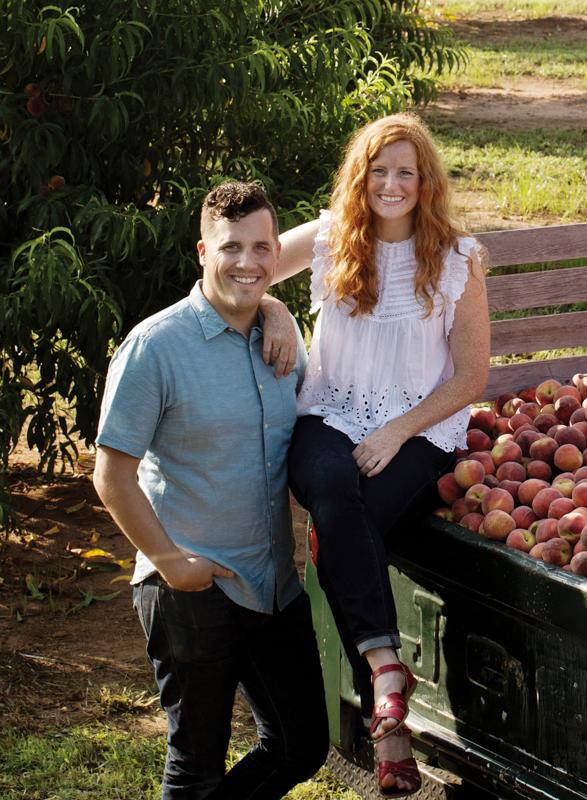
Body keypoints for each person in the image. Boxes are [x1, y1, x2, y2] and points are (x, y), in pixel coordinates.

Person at [266, 113, 490, 797]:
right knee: (333, 487)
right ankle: (389, 677)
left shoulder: (457, 259)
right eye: (378, 170)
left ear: (426, 183)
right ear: (359, 178)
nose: (391, 184)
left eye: (405, 172)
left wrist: (397, 432)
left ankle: (385, 709)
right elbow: (242, 269)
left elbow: (471, 377)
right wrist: (276, 311)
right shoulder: (333, 236)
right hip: (330, 416)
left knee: (338, 536)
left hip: (422, 434)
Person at [93, 181, 329, 800]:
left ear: (277, 252)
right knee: (196, 765)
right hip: (191, 587)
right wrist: (172, 563)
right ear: (203, 251)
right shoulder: (156, 347)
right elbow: (111, 474)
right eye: (231, 248)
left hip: (273, 583)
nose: (247, 262)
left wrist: (276, 311)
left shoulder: (281, 339)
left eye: (260, 248)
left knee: (301, 744)